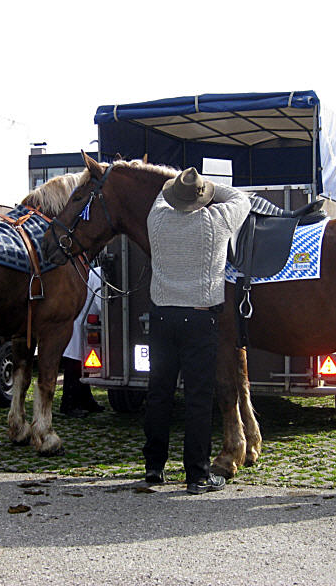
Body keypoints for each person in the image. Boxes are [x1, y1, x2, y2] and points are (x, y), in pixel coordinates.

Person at [143, 167, 250, 494]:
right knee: (198, 399)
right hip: (201, 320)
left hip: (161, 319)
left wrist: (180, 186)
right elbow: (240, 199)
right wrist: (207, 187)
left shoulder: (157, 221)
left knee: (159, 394)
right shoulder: (216, 222)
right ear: (201, 198)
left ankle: (153, 467)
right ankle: (197, 475)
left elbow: (162, 193)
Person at [59, 268, 105, 417]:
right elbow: (101, 304)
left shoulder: (98, 272)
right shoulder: (100, 274)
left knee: (81, 366)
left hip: (85, 321)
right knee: (74, 365)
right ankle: (68, 404)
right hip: (80, 321)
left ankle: (86, 400)